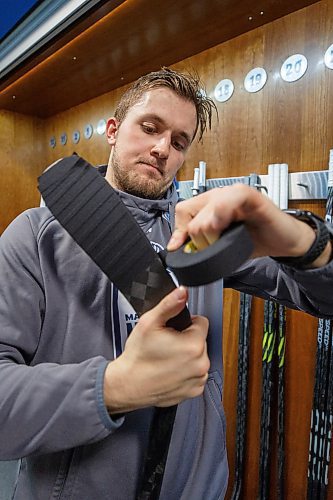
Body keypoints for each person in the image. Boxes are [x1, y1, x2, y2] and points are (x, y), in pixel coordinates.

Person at [0, 67, 332, 500]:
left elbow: (321, 299)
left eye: (179, 142)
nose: (162, 149)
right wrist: (113, 386)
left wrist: (304, 241)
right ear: (114, 131)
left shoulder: (201, 236)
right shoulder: (35, 236)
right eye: (150, 128)